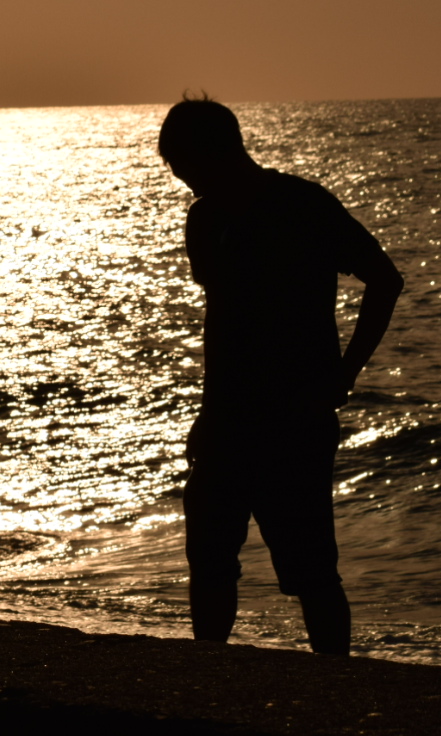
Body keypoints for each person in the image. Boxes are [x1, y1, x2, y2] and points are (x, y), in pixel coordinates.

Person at [158, 95, 403, 655]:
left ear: (216, 152)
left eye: (185, 165)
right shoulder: (205, 218)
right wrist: (207, 415)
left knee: (310, 569)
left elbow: (384, 279)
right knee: (211, 560)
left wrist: (344, 373)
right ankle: (209, 674)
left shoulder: (302, 204)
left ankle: (335, 682)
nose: (182, 180)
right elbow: (224, 322)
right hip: (226, 419)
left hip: (295, 416)